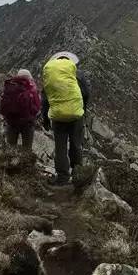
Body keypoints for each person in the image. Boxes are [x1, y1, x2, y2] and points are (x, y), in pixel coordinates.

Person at [41, 51, 90, 185]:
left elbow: (45, 100)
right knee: (76, 144)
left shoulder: (51, 77)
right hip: (76, 116)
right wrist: (82, 110)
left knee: (60, 147)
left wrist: (45, 119)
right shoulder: (77, 74)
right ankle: (77, 174)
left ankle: (62, 177)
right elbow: (86, 93)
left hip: (58, 118)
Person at [0, 68, 42, 151]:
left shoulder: (10, 87)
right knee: (27, 149)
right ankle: (26, 162)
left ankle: (8, 162)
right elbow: (37, 107)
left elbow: (2, 107)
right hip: (27, 124)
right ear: (29, 77)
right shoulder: (31, 89)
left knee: (10, 148)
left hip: (11, 123)